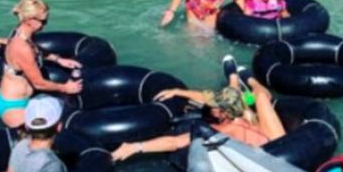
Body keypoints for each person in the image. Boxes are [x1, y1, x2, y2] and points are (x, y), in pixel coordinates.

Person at [110, 70, 287, 161]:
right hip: (276, 140)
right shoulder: (244, 114)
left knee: (258, 96)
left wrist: (134, 147)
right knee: (262, 96)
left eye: (214, 106)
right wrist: (178, 91)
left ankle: (243, 79)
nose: (209, 105)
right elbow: (206, 97)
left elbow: (176, 142)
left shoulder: (225, 128)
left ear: (223, 114)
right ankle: (241, 79)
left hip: (273, 155)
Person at [0, 0, 83, 129]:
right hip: (14, 107)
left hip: (12, 95)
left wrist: (59, 59)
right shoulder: (21, 47)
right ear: (30, 20)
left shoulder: (20, 32)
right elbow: (39, 83)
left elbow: (35, 49)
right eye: (43, 21)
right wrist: (66, 87)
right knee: (58, 130)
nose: (45, 24)